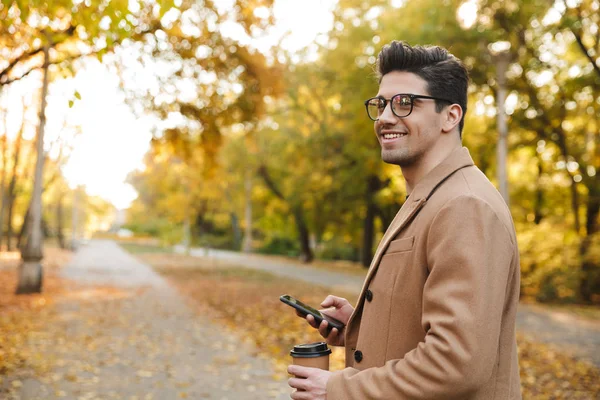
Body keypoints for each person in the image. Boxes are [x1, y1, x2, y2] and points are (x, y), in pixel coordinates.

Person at [287, 41, 522, 399]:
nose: (384, 117)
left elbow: (456, 362)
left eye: (405, 102)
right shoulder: (429, 197)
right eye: (381, 104)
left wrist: (340, 388)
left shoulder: (465, 205)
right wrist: (361, 325)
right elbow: (425, 322)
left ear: (451, 116)